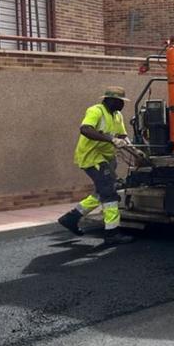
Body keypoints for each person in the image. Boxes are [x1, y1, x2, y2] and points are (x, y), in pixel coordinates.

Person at [57, 86, 134, 245]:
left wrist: (131, 147)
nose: (122, 105)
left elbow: (122, 135)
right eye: (120, 102)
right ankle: (112, 233)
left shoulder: (117, 115)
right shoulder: (95, 111)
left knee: (102, 191)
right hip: (91, 157)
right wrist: (111, 139)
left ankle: (71, 218)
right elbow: (85, 129)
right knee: (110, 193)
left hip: (106, 158)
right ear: (111, 100)